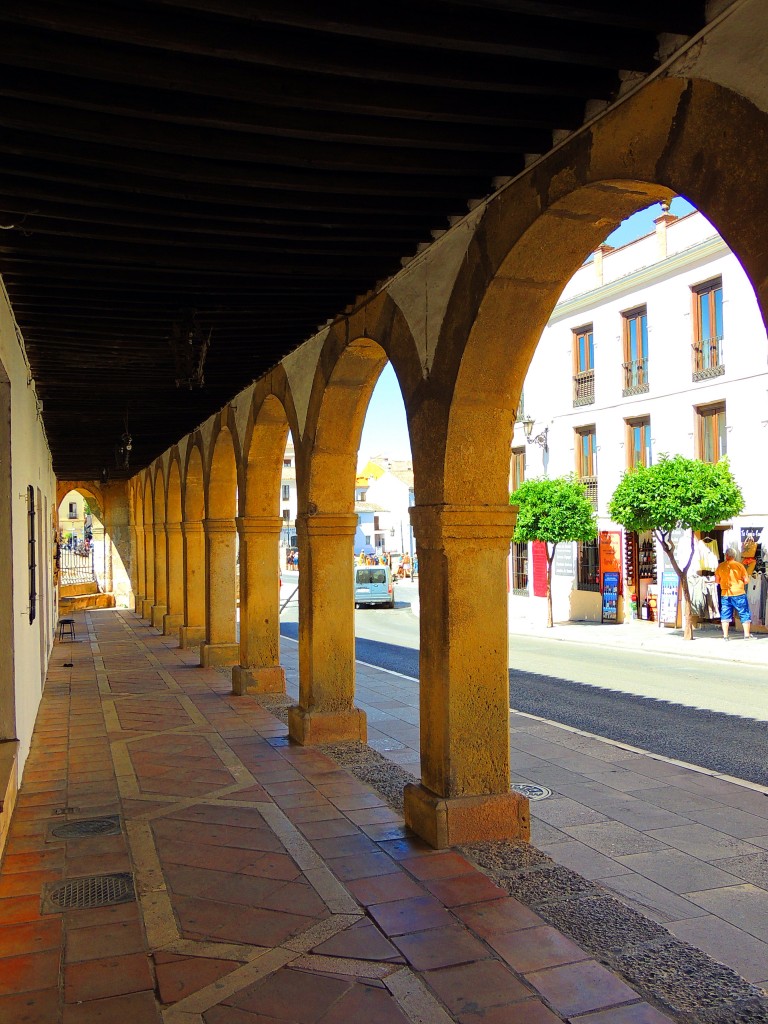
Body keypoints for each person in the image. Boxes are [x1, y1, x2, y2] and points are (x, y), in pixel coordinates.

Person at [714, 547, 753, 641]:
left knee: (725, 614)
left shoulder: (720, 566)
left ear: (726, 555)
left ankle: (725, 636)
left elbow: (717, 581)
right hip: (739, 592)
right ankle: (747, 636)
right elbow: (746, 580)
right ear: (734, 556)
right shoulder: (739, 566)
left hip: (725, 593)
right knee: (744, 612)